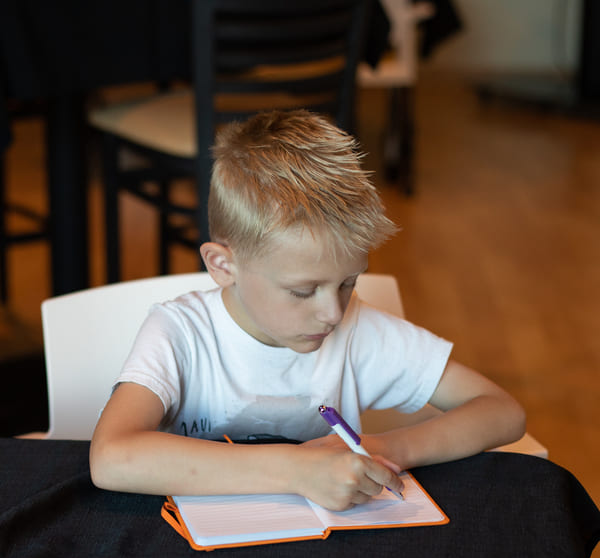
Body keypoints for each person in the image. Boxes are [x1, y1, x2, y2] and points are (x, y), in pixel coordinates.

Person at [90, 109, 526, 511]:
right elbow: (111, 457)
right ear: (224, 266)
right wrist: (297, 470)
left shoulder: (356, 328)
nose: (334, 313)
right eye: (303, 291)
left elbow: (502, 411)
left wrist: (386, 448)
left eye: (349, 283)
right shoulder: (180, 333)